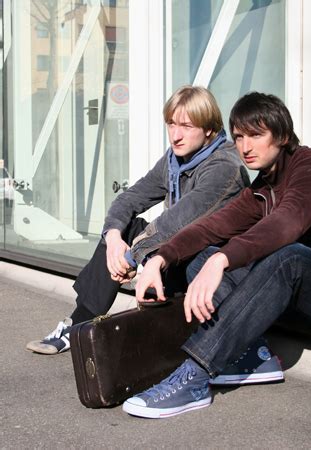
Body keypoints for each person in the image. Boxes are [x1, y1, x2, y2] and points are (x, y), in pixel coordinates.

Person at [121, 92, 311, 419]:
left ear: (281, 136)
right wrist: (159, 258)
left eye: (256, 135)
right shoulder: (263, 187)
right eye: (238, 137)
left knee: (288, 257)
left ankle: (194, 377)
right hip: (307, 298)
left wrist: (221, 261)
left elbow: (286, 224)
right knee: (201, 254)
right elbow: (212, 226)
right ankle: (252, 355)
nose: (245, 147)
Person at [26, 85, 251, 355]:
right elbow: (130, 198)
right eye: (171, 124)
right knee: (126, 228)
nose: (175, 135)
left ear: (208, 129)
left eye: (186, 126)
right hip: (177, 253)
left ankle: (160, 332)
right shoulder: (175, 160)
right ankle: (79, 323)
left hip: (212, 267)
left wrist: (132, 257)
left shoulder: (224, 166)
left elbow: (179, 222)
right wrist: (112, 239)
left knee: (162, 237)